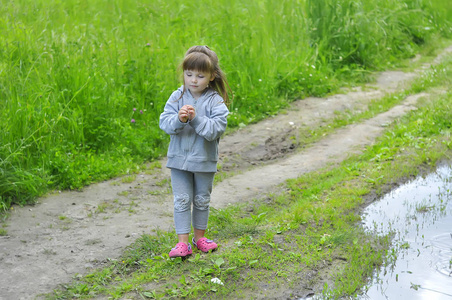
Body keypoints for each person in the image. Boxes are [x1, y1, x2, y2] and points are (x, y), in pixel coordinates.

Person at [159, 45, 231, 258]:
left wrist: (195, 118)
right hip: (178, 160)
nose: (193, 80)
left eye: (200, 76)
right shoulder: (177, 96)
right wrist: (178, 119)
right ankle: (182, 243)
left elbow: (215, 130)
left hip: (203, 160)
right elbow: (164, 123)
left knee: (201, 199)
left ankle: (199, 237)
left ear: (212, 76)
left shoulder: (215, 101)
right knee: (181, 199)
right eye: (188, 74)